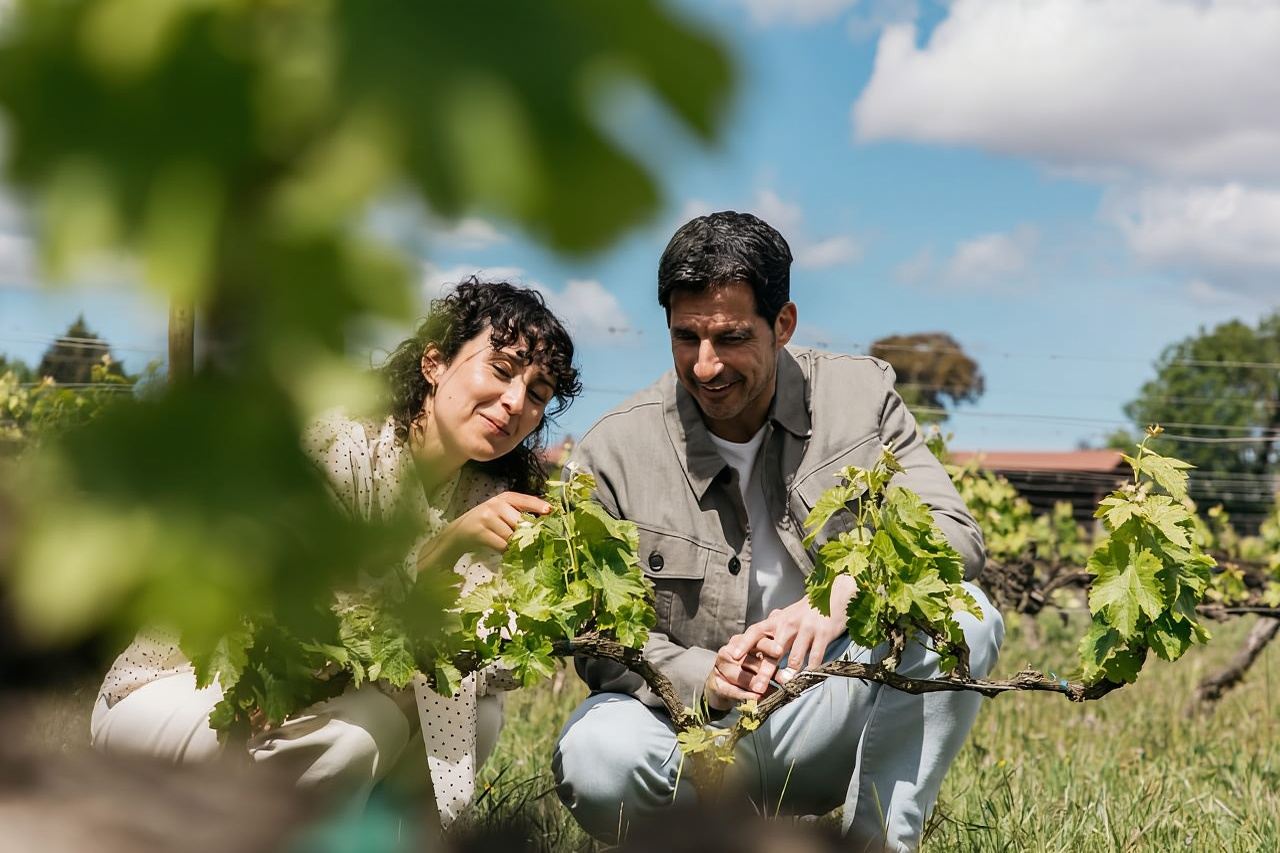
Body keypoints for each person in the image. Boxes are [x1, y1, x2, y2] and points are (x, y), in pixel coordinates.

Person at [552, 212, 1004, 851]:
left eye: (732, 338)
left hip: (827, 713)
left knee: (962, 614)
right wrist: (704, 675)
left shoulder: (860, 401)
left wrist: (841, 592)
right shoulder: (615, 449)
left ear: (783, 325)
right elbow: (591, 635)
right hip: (685, 729)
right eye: (686, 338)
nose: (706, 367)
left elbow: (957, 536)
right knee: (598, 754)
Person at [91, 278, 582, 828]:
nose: (516, 401)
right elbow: (310, 630)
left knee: (474, 712)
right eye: (500, 369)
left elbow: (492, 666)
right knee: (366, 727)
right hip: (196, 692)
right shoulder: (338, 445)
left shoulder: (488, 495)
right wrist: (441, 553)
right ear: (434, 364)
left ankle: (372, 837)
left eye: (538, 393)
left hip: (321, 706)